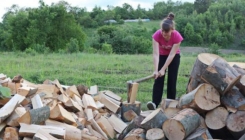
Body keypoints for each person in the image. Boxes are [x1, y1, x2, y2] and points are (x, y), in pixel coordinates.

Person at [147, 12, 183, 110]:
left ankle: (170, 103)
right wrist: (156, 70)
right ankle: (154, 103)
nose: (164, 34)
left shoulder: (177, 37)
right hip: (161, 55)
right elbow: (155, 53)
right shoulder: (157, 35)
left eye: (166, 33)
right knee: (158, 78)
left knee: (172, 79)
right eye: (163, 31)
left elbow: (172, 54)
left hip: (174, 57)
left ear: (172, 30)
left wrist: (163, 69)